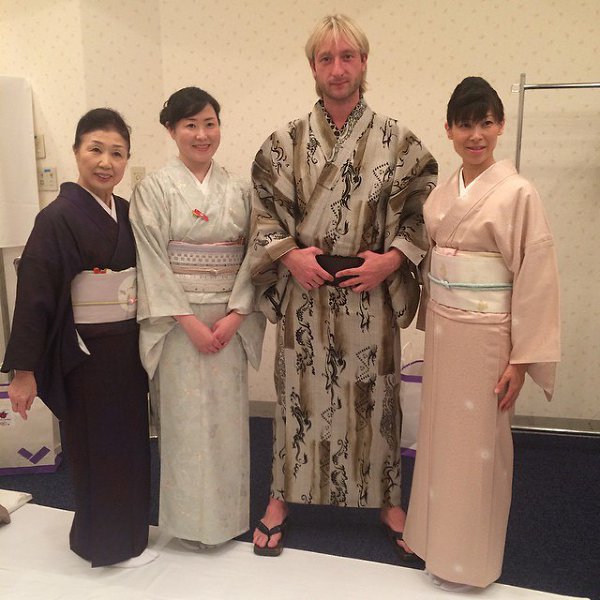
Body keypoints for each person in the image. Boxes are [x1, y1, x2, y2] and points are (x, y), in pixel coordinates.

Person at [249, 14, 438, 557]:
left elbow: (425, 209)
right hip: (304, 291)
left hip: (369, 290)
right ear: (313, 67)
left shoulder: (398, 141)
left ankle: (387, 499)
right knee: (296, 397)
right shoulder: (284, 141)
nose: (338, 68)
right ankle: (281, 497)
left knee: (375, 399)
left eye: (347, 57)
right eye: (326, 58)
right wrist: (289, 256)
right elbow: (261, 209)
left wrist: (392, 260)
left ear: (364, 63)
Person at [403, 77, 560, 591]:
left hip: (490, 337)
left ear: (501, 126)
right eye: (465, 124)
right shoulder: (444, 193)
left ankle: (472, 561)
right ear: (449, 129)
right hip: (446, 331)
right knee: (439, 440)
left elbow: (535, 277)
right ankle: (435, 546)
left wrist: (521, 358)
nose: (476, 135)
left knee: (480, 450)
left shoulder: (519, 193)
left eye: (486, 123)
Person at [1, 108, 155, 568]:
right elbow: (35, 297)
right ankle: (99, 542)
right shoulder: (56, 217)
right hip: (85, 356)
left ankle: (131, 535)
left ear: (127, 160)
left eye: (117, 153)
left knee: (131, 443)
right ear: (76, 152)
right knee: (95, 448)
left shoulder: (126, 212)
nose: (106, 162)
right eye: (96, 150)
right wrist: (24, 371)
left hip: (127, 351)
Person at [129, 87, 265, 549]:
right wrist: (188, 321)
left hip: (227, 321)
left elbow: (254, 254)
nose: (202, 134)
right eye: (190, 125)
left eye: (210, 124)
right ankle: (187, 524)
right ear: (171, 130)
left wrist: (236, 314)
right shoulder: (153, 189)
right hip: (177, 324)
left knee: (227, 424)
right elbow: (151, 258)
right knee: (183, 423)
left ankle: (227, 519)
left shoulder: (240, 189)